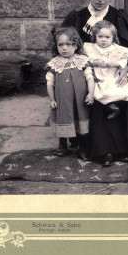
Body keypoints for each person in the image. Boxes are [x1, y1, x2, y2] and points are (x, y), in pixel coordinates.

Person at [61, 0, 128, 151]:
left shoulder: (118, 16)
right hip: (83, 68)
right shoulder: (78, 17)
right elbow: (67, 47)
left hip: (113, 68)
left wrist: (125, 68)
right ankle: (84, 139)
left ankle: (121, 143)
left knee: (123, 88)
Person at [83, 21, 128, 166]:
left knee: (122, 91)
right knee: (100, 94)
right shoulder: (89, 48)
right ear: (95, 37)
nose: (103, 40)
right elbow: (84, 62)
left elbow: (124, 62)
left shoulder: (118, 49)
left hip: (113, 77)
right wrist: (94, 64)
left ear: (113, 38)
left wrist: (121, 66)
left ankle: (125, 149)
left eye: (107, 37)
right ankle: (104, 151)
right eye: (100, 36)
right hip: (97, 78)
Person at [45, 26, 94, 158]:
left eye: (68, 44)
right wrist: (52, 99)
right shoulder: (54, 64)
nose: (64, 48)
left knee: (80, 119)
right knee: (63, 117)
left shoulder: (82, 61)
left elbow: (90, 78)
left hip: (80, 100)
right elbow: (50, 83)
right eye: (61, 45)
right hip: (62, 100)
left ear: (76, 45)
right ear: (57, 47)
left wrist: (91, 93)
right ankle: (62, 144)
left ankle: (81, 146)